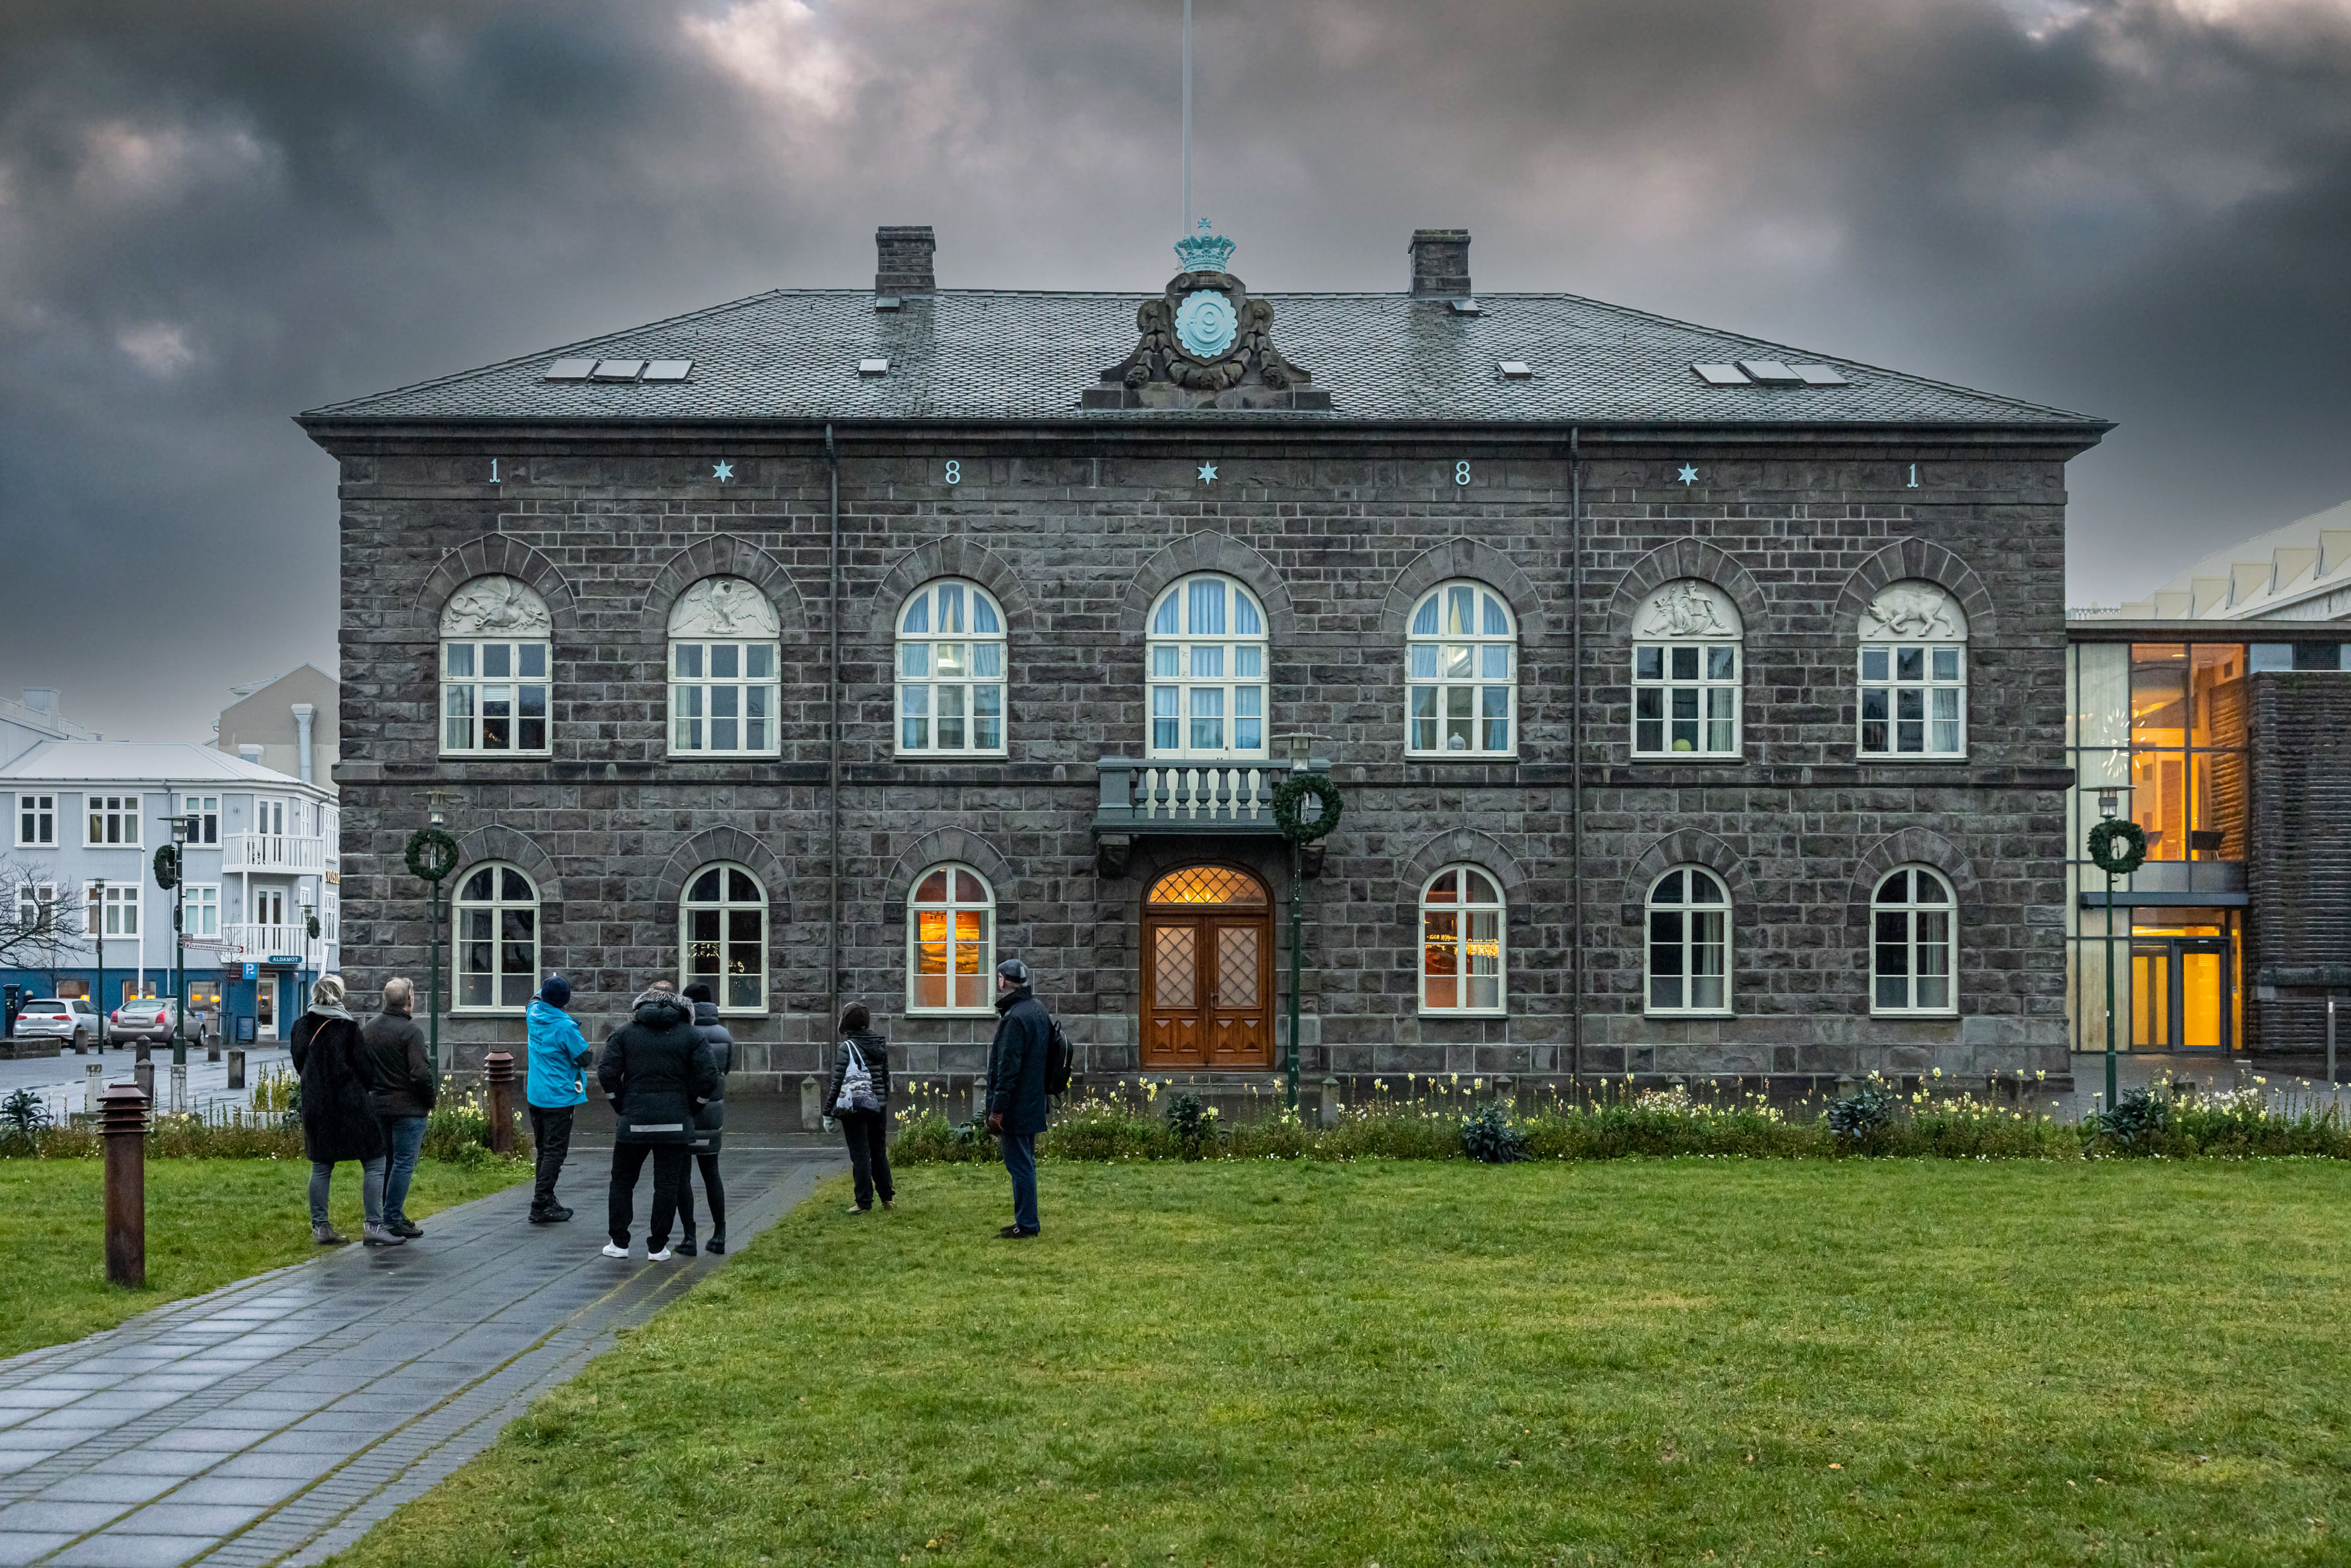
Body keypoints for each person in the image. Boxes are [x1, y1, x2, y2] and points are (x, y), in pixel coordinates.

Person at [597, 985, 717, 1261]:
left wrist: (621, 1104)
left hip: (634, 1120)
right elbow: (709, 1076)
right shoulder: (691, 1035)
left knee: (622, 1182)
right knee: (667, 1185)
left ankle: (620, 1242)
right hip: (675, 1122)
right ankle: (657, 1247)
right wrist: (694, 1106)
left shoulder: (625, 1033)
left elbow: (607, 1072)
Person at [289, 975, 401, 1248]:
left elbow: (298, 1062)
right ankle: (374, 1225)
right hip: (350, 1105)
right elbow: (365, 1069)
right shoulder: (347, 1028)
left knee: (321, 1165)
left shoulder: (301, 1026)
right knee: (375, 1160)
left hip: (315, 1104)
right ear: (339, 996)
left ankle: (321, 1227)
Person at [356, 977, 435, 1239]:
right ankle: (392, 1217)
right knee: (403, 1163)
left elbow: (362, 1068)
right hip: (408, 1108)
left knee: (387, 1162)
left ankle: (391, 1214)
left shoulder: (369, 1029)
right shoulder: (411, 1032)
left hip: (379, 1105)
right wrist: (430, 1100)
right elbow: (420, 1073)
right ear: (409, 1001)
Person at [985, 958, 1051, 1239]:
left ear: (1002, 981)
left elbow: (1007, 1070)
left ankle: (1026, 1225)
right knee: (1027, 1163)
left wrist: (997, 1111)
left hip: (1016, 1106)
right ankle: (1026, 1221)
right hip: (1034, 1100)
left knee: (1020, 1166)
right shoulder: (1038, 1010)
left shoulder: (1014, 1018)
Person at [525, 974, 593, 1224]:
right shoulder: (565, 1026)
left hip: (536, 1094)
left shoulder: (532, 1014)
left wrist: (548, 983)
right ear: (565, 1000)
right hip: (559, 1097)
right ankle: (541, 1203)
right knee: (555, 1153)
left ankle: (546, 1197)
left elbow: (533, 998)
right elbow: (585, 1057)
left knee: (544, 1150)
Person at [677, 981, 731, 1255]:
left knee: (681, 1176)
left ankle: (689, 1237)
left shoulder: (682, 1032)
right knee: (712, 1173)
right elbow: (726, 1070)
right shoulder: (724, 1034)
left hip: (685, 1109)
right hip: (712, 1112)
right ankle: (720, 1233)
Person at [829, 1003, 894, 1215]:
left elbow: (838, 1082)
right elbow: (885, 1079)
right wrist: (883, 1101)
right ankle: (887, 1198)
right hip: (878, 1106)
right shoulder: (879, 1044)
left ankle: (864, 1202)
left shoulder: (846, 1047)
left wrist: (827, 1112)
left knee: (860, 1155)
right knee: (879, 1153)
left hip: (855, 1107)